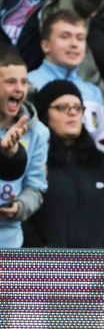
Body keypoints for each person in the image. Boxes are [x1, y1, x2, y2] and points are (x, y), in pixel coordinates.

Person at [24, 80, 104, 247]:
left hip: (100, 269)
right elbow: (22, 217)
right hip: (45, 269)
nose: (72, 113)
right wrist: (41, 254)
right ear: (45, 114)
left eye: (78, 107)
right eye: (62, 107)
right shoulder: (30, 163)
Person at [28, 10, 104, 149]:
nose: (74, 44)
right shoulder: (27, 84)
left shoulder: (93, 91)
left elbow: (103, 141)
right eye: (65, 37)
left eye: (80, 38)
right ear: (45, 45)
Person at [0, 43, 49, 248]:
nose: (19, 89)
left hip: (9, 242)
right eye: (11, 81)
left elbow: (36, 187)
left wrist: (19, 207)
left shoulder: (38, 132)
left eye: (24, 82)